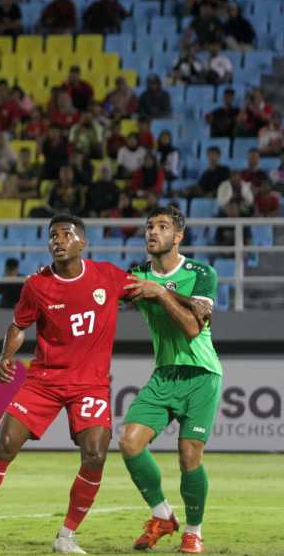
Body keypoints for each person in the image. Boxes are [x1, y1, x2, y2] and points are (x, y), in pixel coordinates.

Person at [0, 214, 133, 553]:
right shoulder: (37, 285)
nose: (57, 240)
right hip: (44, 381)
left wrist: (186, 298)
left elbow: (147, 289)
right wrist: (6, 356)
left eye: (65, 234)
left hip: (90, 385)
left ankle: (66, 536)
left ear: (82, 242)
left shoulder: (107, 276)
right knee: (4, 443)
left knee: (96, 453)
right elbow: (18, 325)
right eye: (52, 235)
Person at [121, 206, 220, 554]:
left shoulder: (201, 272)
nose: (152, 232)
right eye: (149, 226)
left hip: (201, 374)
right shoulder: (136, 275)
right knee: (130, 442)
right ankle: (162, 515)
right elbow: (101, 298)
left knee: (189, 456)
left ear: (178, 237)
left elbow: (195, 326)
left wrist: (161, 292)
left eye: (162, 227)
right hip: (164, 373)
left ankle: (193, 531)